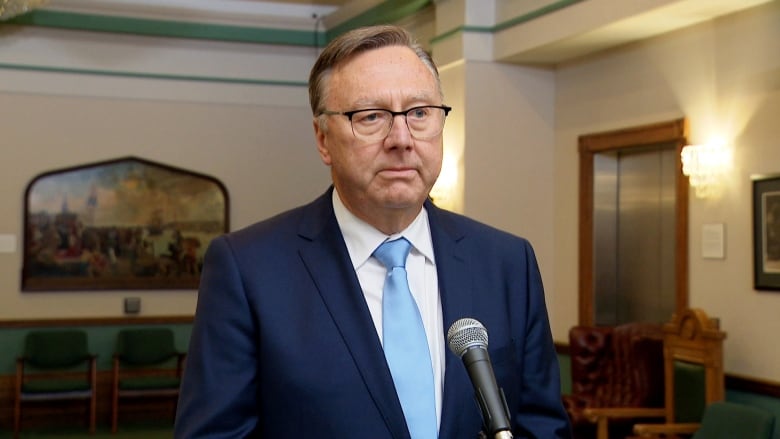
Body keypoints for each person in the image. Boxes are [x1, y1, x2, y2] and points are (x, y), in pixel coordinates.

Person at [174, 24, 571, 439]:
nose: (401, 139)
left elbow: (542, 427)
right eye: (371, 116)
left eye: (419, 113)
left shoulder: (507, 262)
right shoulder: (249, 269)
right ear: (323, 138)